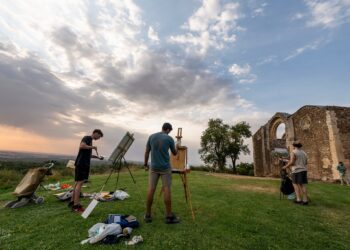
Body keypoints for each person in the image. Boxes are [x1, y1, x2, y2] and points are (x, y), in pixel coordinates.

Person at [144, 122, 180, 224]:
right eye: (170, 131)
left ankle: (147, 215)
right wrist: (177, 147)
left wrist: (145, 164)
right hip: (165, 168)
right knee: (166, 189)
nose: (170, 132)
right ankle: (169, 216)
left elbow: (147, 152)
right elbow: (174, 153)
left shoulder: (151, 136)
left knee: (151, 189)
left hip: (153, 168)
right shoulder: (169, 139)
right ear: (168, 130)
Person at [69, 129, 104, 213]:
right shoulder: (87, 138)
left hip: (81, 164)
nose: (98, 139)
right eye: (99, 136)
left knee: (77, 183)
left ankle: (72, 201)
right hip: (82, 164)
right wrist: (93, 147)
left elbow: (88, 154)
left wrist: (98, 157)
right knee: (79, 183)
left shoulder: (90, 141)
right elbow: (82, 146)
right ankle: (76, 206)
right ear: (95, 133)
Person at [283, 141, 309, 205]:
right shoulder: (304, 153)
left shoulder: (293, 152)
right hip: (304, 170)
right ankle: (305, 200)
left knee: (295, 185)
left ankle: (298, 199)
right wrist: (285, 160)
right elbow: (305, 162)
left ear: (294, 146)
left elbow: (292, 162)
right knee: (303, 185)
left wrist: (285, 166)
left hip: (297, 171)